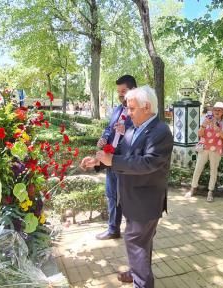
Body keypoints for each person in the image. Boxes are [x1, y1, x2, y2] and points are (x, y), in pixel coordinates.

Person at [81, 86, 173, 287]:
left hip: (145, 202)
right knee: (141, 242)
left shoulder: (161, 131)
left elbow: (148, 163)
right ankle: (136, 271)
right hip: (132, 198)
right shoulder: (134, 127)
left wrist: (111, 160)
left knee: (135, 241)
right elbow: (119, 152)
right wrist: (98, 160)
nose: (128, 113)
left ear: (146, 107)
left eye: (131, 108)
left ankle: (142, 282)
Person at [94, 75, 136, 240]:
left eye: (123, 91)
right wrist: (104, 137)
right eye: (118, 92)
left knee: (127, 197)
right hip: (110, 157)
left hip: (126, 161)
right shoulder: (117, 109)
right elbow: (108, 128)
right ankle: (113, 230)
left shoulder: (140, 112)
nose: (120, 95)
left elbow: (142, 136)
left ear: (133, 90)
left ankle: (134, 231)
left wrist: (126, 131)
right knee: (111, 194)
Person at [185, 102, 223, 202]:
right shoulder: (205, 118)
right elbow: (200, 134)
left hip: (216, 149)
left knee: (213, 170)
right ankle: (193, 188)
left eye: (219, 110)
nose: (217, 111)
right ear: (212, 110)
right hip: (204, 147)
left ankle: (210, 191)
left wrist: (217, 129)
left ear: (222, 112)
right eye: (215, 109)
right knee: (198, 168)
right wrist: (204, 125)